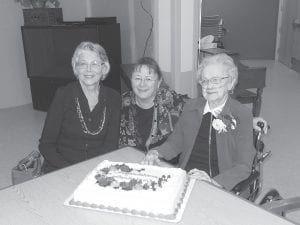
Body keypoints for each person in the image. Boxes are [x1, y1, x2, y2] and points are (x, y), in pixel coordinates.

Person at [143, 53, 256, 191]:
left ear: (230, 82)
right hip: (186, 177)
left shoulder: (241, 114)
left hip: (218, 183)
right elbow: (175, 143)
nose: (209, 86)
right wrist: (157, 152)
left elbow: (243, 166)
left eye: (215, 80)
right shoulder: (191, 106)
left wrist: (213, 182)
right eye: (205, 80)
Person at [39, 41, 121, 173]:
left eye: (94, 64)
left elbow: (111, 145)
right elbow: (46, 144)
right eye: (83, 64)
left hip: (97, 168)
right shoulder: (63, 95)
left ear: (103, 68)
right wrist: (72, 170)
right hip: (61, 167)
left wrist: (96, 169)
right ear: (76, 68)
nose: (89, 69)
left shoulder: (114, 98)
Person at [119, 57, 189, 159]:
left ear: (159, 82)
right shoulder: (121, 103)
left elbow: (195, 107)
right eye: (138, 78)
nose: (142, 84)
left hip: (165, 166)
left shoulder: (170, 100)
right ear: (131, 80)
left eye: (148, 79)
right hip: (130, 165)